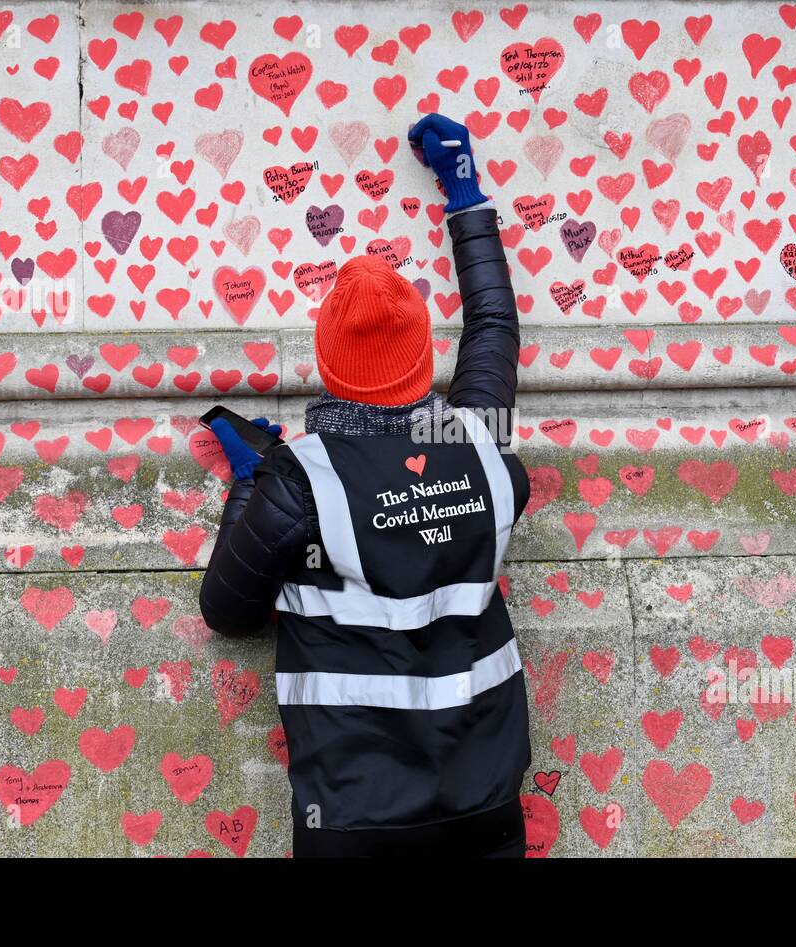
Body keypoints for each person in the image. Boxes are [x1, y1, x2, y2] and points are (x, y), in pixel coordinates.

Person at [199, 113, 532, 858]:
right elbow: (493, 331)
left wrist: (248, 481)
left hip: (354, 825)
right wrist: (465, 194)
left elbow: (225, 608)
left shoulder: (301, 481)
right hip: (488, 812)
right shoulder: (476, 442)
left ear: (328, 366)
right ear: (421, 362)